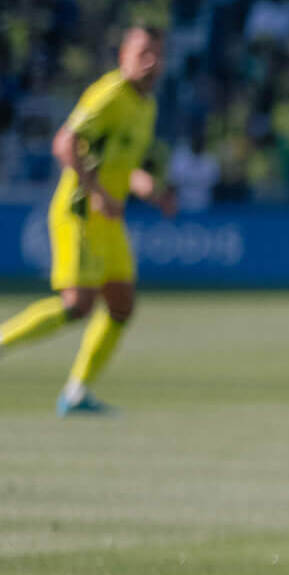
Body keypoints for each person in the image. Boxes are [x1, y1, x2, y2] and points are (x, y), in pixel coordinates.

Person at [0, 23, 176, 416]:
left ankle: (77, 393)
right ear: (123, 57)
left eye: (157, 54)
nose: (150, 62)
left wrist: (152, 190)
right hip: (80, 212)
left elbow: (123, 166)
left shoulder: (146, 105)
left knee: (121, 305)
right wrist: (97, 192)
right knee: (79, 305)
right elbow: (64, 143)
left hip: (108, 219)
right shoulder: (109, 94)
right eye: (142, 53)